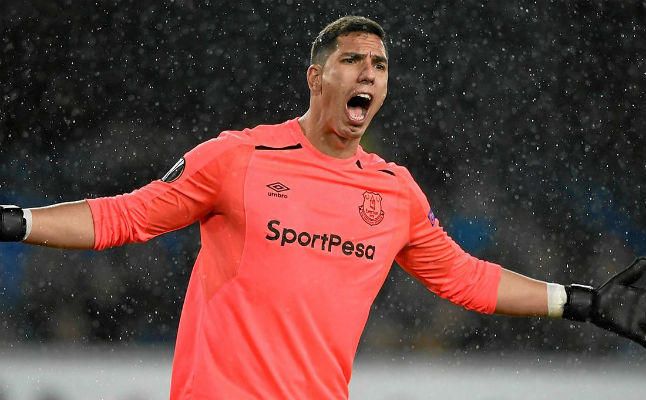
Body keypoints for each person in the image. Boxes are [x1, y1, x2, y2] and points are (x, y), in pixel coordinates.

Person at [1, 15, 645, 399]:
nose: (368, 73)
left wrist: (581, 302)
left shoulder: (395, 192)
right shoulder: (239, 157)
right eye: (351, 60)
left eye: (380, 66)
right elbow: (125, 216)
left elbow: (466, 278)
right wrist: (16, 221)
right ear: (316, 77)